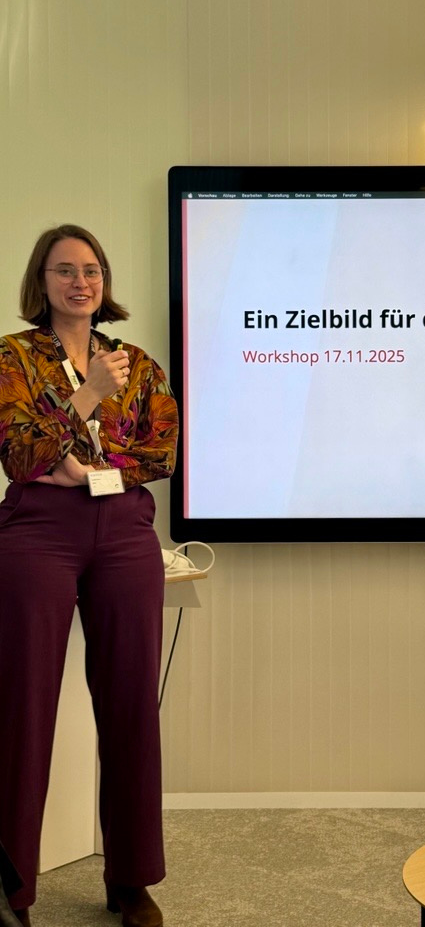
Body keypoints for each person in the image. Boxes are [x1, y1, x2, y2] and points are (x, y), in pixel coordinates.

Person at [0, 225, 178, 927]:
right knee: (22, 706)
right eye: (65, 270)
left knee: (132, 702)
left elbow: (161, 450)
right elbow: (18, 455)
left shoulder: (136, 362)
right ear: (41, 283)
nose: (81, 282)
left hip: (124, 529)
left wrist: (84, 468)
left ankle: (131, 879)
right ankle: (12, 889)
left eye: (92, 270)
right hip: (39, 531)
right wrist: (86, 398)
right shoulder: (12, 358)